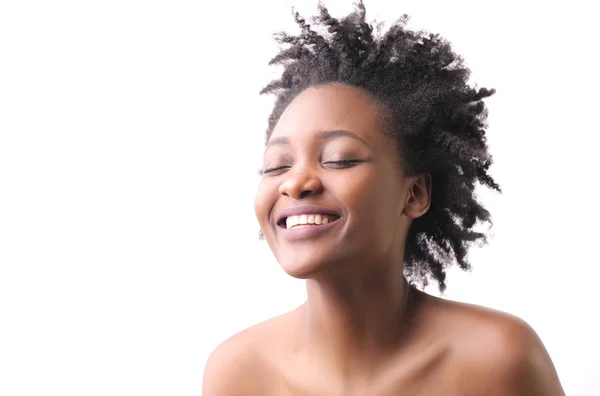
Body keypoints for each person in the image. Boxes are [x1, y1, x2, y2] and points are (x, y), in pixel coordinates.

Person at [203, 2, 565, 395]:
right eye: (276, 166)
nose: (295, 183)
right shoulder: (238, 372)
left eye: (339, 159)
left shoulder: (498, 358)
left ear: (415, 194)